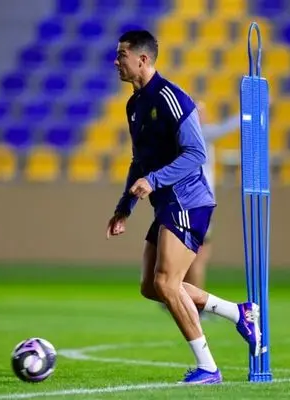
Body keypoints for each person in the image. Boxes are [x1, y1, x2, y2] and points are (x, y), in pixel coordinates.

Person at [106, 30, 261, 385]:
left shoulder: (171, 98)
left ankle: (209, 368)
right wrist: (124, 207)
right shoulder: (134, 105)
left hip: (189, 201)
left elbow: (197, 153)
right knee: (151, 286)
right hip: (167, 203)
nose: (116, 62)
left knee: (166, 282)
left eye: (122, 55)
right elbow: (138, 161)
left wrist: (154, 180)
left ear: (143, 59)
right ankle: (239, 313)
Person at [184, 103, 239, 297]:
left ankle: (180, 295)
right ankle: (194, 301)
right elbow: (225, 128)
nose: (206, 116)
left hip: (192, 202)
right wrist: (250, 111)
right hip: (200, 204)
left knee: (190, 255)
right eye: (201, 112)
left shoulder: (185, 136)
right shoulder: (200, 134)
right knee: (199, 256)